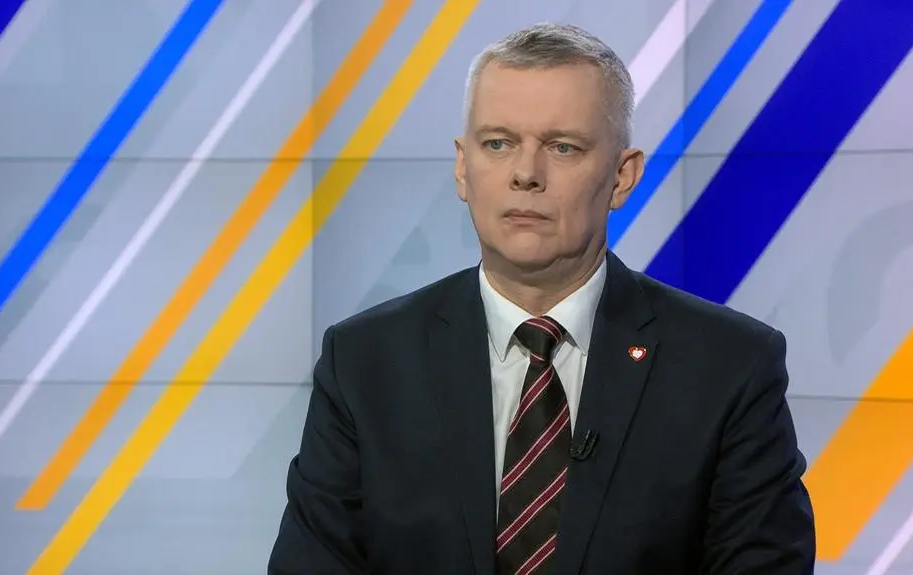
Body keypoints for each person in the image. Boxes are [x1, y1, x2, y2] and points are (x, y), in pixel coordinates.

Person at [267, 22, 815, 574]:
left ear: (622, 176)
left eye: (562, 147)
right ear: (463, 167)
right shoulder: (365, 361)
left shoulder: (729, 367)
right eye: (498, 144)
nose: (526, 174)